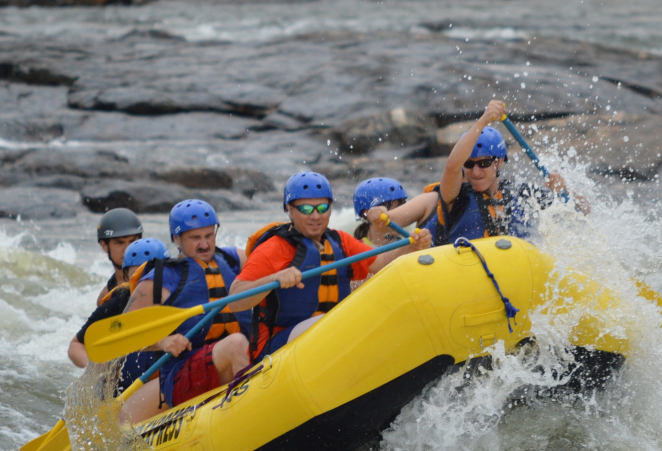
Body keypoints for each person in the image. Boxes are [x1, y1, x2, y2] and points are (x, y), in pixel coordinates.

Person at [229, 171, 433, 362]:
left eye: (322, 208)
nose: (316, 216)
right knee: (331, 323)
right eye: (306, 209)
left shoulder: (340, 241)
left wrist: (411, 246)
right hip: (277, 347)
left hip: (331, 336)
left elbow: (380, 263)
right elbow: (235, 300)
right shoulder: (273, 248)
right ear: (289, 210)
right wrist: (272, 279)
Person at [119, 200, 253, 423]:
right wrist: (163, 342)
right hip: (184, 373)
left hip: (232, 357)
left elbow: (266, 266)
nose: (204, 245)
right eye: (195, 238)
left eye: (209, 236)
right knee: (236, 343)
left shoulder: (233, 259)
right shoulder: (163, 278)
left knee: (244, 343)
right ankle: (250, 417)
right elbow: (124, 333)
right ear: (176, 239)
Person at [381, 100, 586, 245]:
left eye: (485, 163)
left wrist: (563, 191)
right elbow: (452, 167)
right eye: (469, 164)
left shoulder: (522, 193)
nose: (476, 172)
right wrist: (484, 120)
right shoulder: (455, 196)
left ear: (499, 162)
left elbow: (582, 212)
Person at [67, 237, 168, 372]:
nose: (144, 284)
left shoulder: (184, 295)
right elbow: (76, 345)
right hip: (127, 380)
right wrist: (98, 368)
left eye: (150, 275)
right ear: (126, 278)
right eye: (136, 276)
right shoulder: (118, 303)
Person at [93, 208, 145, 305]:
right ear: (104, 245)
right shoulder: (105, 298)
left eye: (132, 241)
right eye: (119, 243)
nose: (128, 249)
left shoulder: (160, 275)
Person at [352, 177, 408, 245]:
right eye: (393, 212)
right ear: (367, 213)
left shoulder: (406, 242)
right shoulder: (357, 249)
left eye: (400, 213)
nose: (400, 219)